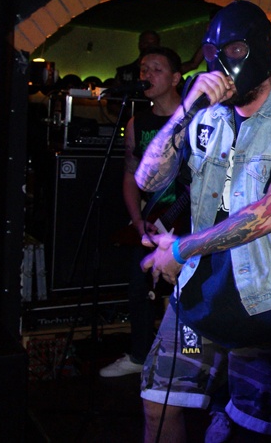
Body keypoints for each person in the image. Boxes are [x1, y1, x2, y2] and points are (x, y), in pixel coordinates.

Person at [135, 0, 271, 442]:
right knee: (159, 404)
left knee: (256, 427)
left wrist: (180, 249)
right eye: (213, 53)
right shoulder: (206, 117)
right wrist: (186, 109)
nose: (223, 64)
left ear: (269, 54)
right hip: (199, 298)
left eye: (237, 51)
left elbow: (270, 214)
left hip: (266, 304)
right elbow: (147, 179)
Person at [100, 46, 184, 378]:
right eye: (143, 69)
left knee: (188, 292)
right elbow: (130, 175)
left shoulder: (196, 119)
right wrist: (138, 222)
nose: (147, 75)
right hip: (154, 220)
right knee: (139, 288)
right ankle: (139, 355)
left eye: (156, 69)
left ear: (176, 78)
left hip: (192, 220)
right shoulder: (138, 122)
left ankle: (189, 362)